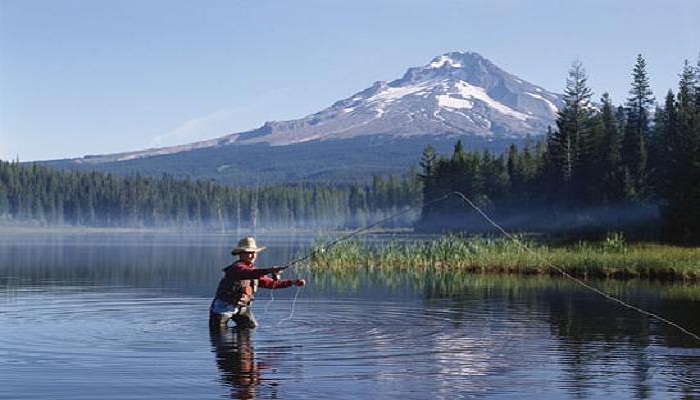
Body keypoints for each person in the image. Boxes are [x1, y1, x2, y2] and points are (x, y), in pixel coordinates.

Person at [209, 236, 306, 329]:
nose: (252, 256)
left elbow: (270, 283)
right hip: (222, 307)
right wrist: (269, 270)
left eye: (254, 253)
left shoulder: (254, 271)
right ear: (240, 254)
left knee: (251, 327)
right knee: (219, 334)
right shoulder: (236, 268)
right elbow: (249, 273)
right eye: (248, 253)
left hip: (242, 307)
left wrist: (293, 282)